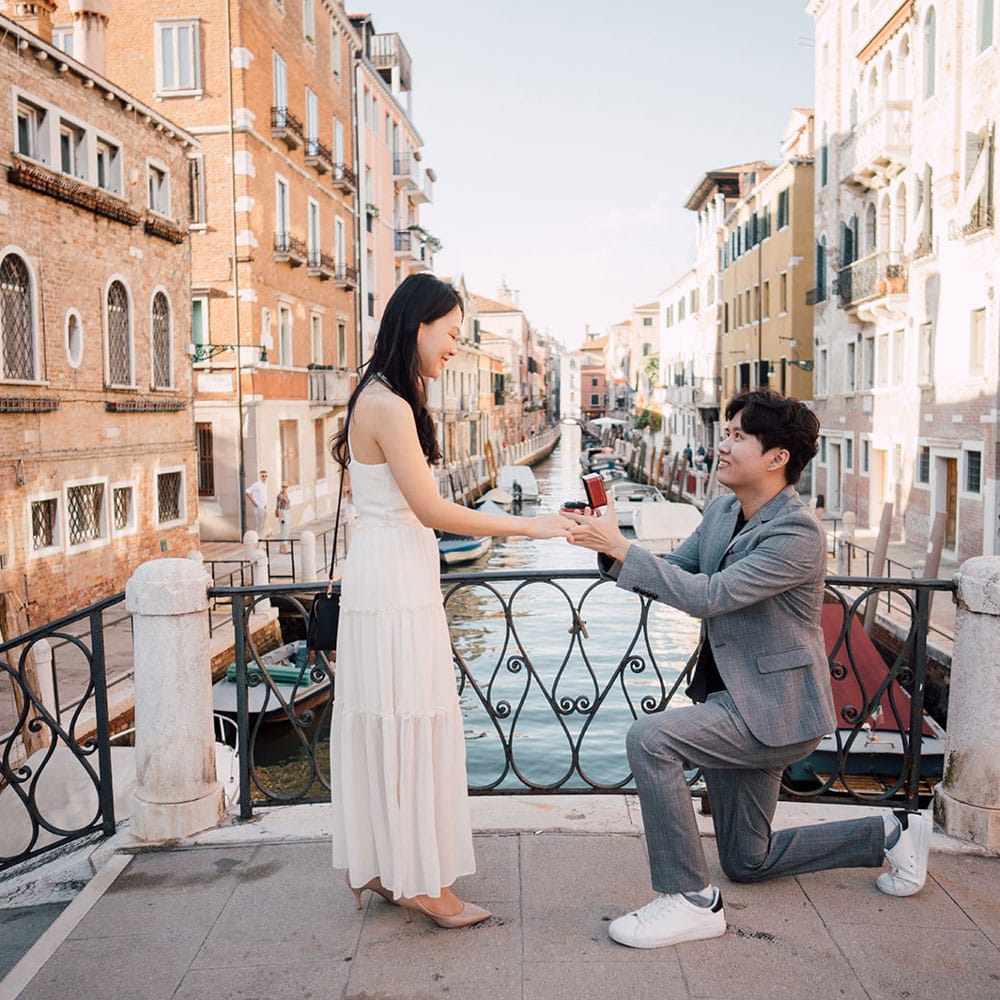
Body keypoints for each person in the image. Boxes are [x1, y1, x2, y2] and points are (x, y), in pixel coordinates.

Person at [563, 388, 931, 950]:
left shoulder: (796, 533)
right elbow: (674, 573)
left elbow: (712, 594)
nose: (723, 444)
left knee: (652, 740)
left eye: (737, 435)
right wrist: (612, 545)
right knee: (747, 861)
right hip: (731, 700)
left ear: (777, 457)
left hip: (778, 712)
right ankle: (889, 830)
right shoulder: (720, 512)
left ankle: (688, 899)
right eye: (725, 432)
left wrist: (622, 549)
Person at [328, 273, 572, 929]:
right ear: (421, 324)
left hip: (385, 572)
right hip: (396, 585)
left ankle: (384, 868)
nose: (455, 349)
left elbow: (376, 503)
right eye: (453, 334)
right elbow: (433, 509)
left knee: (389, 717)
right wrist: (535, 525)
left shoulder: (373, 397)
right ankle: (427, 886)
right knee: (410, 717)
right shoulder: (390, 405)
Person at [245, 470, 268, 536]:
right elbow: (247, 491)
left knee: (262, 526)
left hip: (264, 507)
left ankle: (261, 542)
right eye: (263, 476)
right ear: (260, 476)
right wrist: (253, 502)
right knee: (259, 526)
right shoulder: (257, 484)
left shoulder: (265, 484)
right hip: (259, 507)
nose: (264, 477)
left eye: (266, 476)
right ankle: (257, 543)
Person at [275, 482, 291, 553]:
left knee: (287, 530)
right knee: (284, 530)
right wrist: (280, 517)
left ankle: (284, 546)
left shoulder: (286, 494)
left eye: (286, 486)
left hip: (287, 512)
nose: (284, 488)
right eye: (283, 486)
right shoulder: (280, 496)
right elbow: (278, 507)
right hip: (283, 512)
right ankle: (283, 547)